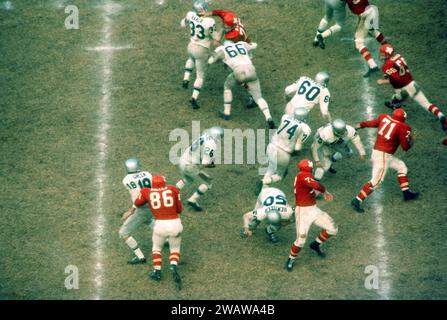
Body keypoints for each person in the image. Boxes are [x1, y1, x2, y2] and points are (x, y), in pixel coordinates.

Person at [351, 108, 419, 213]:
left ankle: (406, 193)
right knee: (376, 181)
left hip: (379, 153)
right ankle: (357, 200)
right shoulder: (403, 127)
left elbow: (373, 123)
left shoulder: (384, 117)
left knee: (401, 167)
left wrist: (361, 125)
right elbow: (405, 147)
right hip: (383, 156)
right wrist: (412, 140)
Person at [378, 43, 447, 144]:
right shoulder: (399, 56)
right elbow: (400, 70)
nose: (382, 56)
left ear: (388, 54)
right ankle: (441, 116)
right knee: (427, 104)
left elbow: (397, 79)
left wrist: (383, 81)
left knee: (396, 98)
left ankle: (395, 113)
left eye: (383, 54)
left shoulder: (386, 65)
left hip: (403, 88)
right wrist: (388, 75)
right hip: (412, 83)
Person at [122, 175, 183, 289]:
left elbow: (138, 202)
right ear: (164, 183)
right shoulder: (173, 190)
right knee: (174, 249)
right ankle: (173, 265)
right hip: (175, 223)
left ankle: (157, 271)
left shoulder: (146, 192)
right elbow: (179, 210)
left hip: (160, 225)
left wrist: (131, 210)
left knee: (156, 248)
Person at [286, 159, 338, 272]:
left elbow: (312, 187)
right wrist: (325, 191)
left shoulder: (303, 176)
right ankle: (291, 259)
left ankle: (315, 244)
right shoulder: (302, 176)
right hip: (303, 212)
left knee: (332, 229)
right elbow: (316, 185)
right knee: (300, 240)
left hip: (313, 209)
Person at [208, 40, 275, 128]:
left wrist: (214, 55)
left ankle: (226, 112)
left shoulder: (222, 49)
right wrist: (251, 45)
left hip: (238, 71)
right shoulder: (241, 44)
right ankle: (268, 117)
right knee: (258, 97)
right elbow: (255, 45)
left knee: (227, 86)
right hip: (251, 69)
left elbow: (210, 61)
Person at [256, 107, 311, 194]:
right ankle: (264, 182)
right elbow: (297, 148)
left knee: (271, 168)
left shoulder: (285, 117)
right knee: (280, 175)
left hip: (271, 146)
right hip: (283, 152)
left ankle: (263, 191)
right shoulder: (305, 128)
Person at [181, 0, 219, 109]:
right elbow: (214, 36)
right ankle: (194, 98)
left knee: (190, 58)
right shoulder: (209, 21)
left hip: (191, 45)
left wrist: (187, 20)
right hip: (201, 49)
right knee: (200, 75)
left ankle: (186, 78)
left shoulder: (190, 14)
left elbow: (183, 24)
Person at [176, 126, 224, 212]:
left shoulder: (203, 135)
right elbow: (205, 163)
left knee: (188, 179)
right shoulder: (211, 143)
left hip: (182, 160)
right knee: (208, 182)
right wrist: (211, 164)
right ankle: (193, 200)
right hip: (190, 166)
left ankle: (174, 191)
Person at [119, 158, 153, 264]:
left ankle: (140, 256)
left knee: (123, 233)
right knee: (148, 220)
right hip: (153, 204)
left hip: (142, 208)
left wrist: (130, 211)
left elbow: (139, 195)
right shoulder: (148, 174)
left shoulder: (126, 180)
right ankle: (165, 238)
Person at [342, 0, 388, 77]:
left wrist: (359, 29)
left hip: (368, 15)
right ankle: (388, 48)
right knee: (373, 31)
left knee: (359, 44)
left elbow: (362, 16)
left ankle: (373, 66)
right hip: (370, 12)